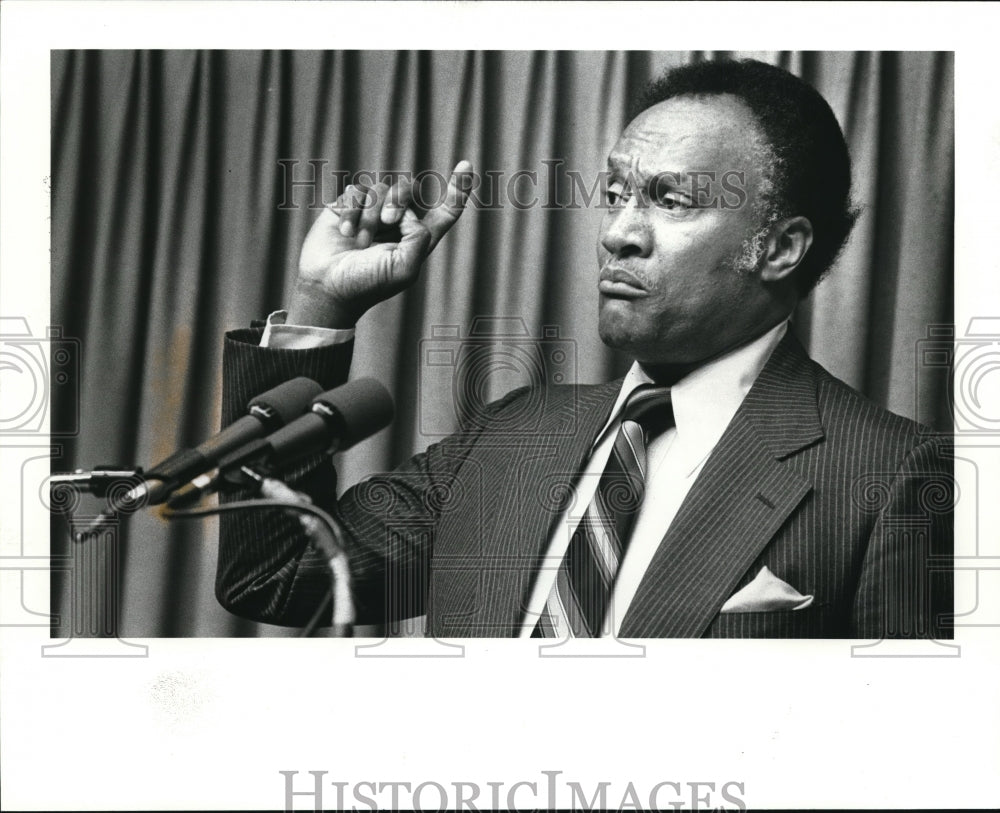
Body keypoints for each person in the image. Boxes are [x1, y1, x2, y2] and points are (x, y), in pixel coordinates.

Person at [215, 58, 952, 639]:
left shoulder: (890, 476)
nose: (617, 232)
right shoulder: (510, 433)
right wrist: (321, 302)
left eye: (670, 200)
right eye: (615, 193)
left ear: (781, 247)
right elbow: (274, 572)